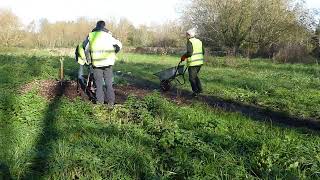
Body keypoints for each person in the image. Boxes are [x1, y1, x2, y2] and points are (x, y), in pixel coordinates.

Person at [83, 20, 122, 106]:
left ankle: (99, 104)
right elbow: (119, 45)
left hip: (96, 64)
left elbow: (85, 49)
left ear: (96, 26)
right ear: (104, 26)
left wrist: (89, 61)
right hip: (108, 63)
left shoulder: (91, 36)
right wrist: (114, 53)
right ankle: (111, 103)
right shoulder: (109, 36)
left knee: (99, 85)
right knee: (109, 84)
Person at [180, 28, 204, 97]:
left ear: (189, 35)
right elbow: (203, 51)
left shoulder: (190, 41)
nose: (186, 36)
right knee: (195, 76)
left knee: (191, 78)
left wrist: (184, 56)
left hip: (193, 63)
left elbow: (189, 53)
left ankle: (195, 92)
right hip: (199, 62)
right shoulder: (199, 41)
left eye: (186, 35)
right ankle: (200, 89)